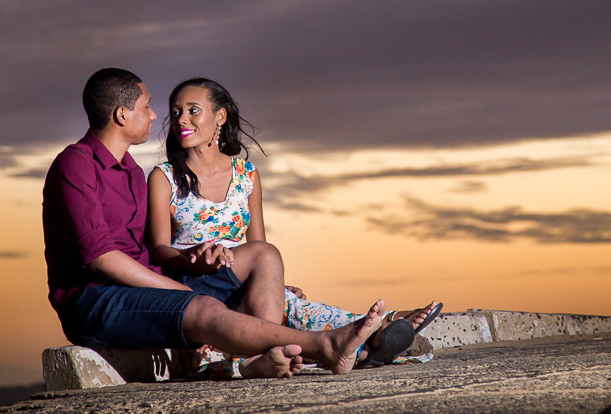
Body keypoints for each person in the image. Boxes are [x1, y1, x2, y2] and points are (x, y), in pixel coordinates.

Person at [42, 67, 389, 378]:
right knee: (203, 307)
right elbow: (101, 258)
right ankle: (325, 345)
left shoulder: (131, 172)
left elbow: (147, 252)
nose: (155, 115)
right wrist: (179, 290)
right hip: (95, 300)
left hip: (144, 290)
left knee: (264, 254)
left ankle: (262, 359)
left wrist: (196, 258)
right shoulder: (76, 164)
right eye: (146, 106)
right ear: (122, 114)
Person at [146, 77, 442, 367]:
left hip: (242, 278)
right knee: (270, 263)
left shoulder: (246, 175)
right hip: (196, 283)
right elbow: (159, 250)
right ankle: (379, 330)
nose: (181, 120)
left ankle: (376, 338)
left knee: (299, 309)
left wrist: (273, 283)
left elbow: (256, 244)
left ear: (220, 117)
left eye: (193, 110)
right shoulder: (165, 177)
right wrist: (196, 257)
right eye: (176, 112)